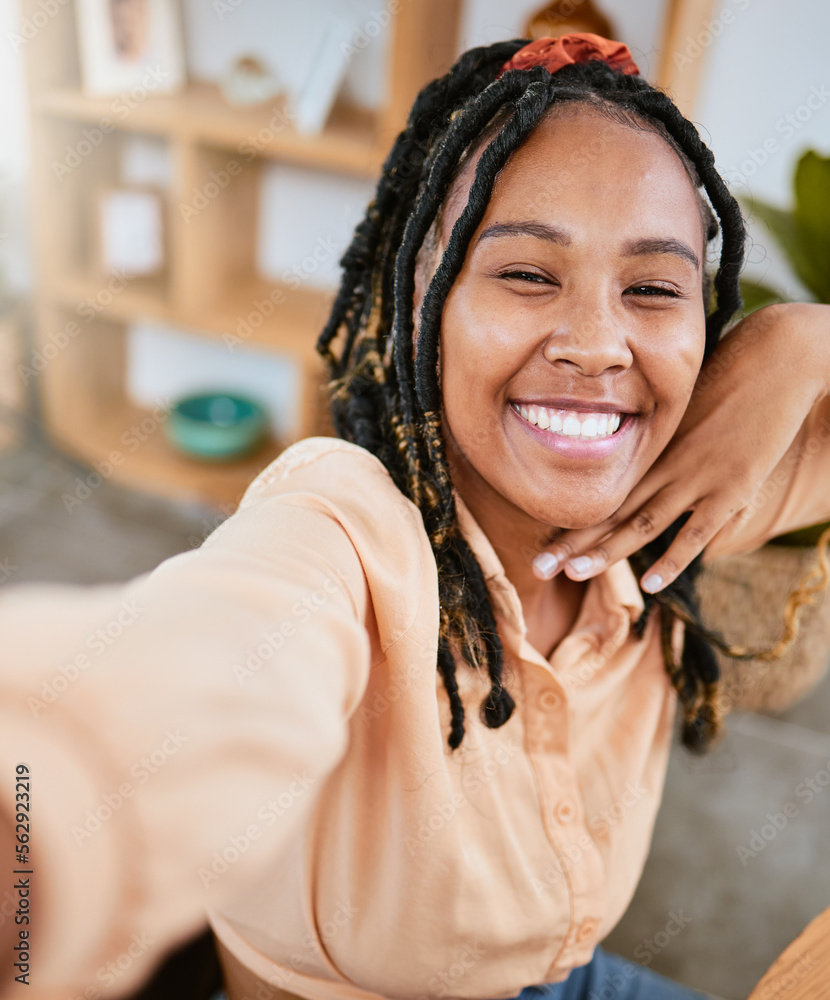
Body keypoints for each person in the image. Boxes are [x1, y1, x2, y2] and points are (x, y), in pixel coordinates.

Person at [2, 32, 830, 1000]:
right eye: (525, 274)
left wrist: (798, 337)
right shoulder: (340, 539)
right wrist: (43, 810)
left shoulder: (669, 504)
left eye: (652, 288)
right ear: (421, 310)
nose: (598, 344)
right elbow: (169, 680)